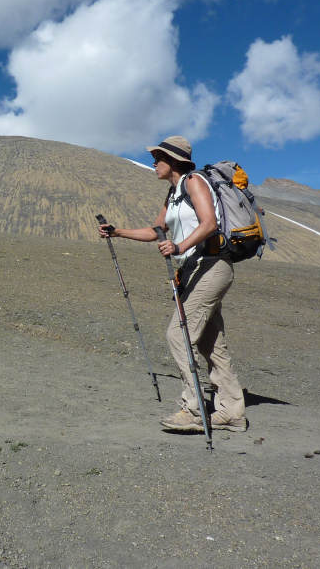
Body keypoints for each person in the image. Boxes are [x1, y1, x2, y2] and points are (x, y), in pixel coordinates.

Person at [98, 136, 247, 433]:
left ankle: (192, 409)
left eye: (158, 157)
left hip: (212, 265)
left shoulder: (194, 182)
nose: (153, 163)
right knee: (210, 343)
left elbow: (209, 224)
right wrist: (118, 232)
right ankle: (232, 411)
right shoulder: (174, 194)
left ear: (174, 160)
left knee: (178, 335)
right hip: (193, 270)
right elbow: (157, 231)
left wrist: (179, 248)